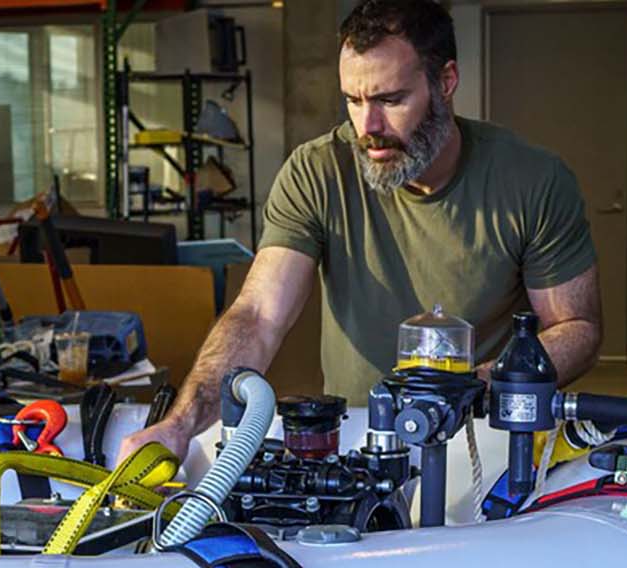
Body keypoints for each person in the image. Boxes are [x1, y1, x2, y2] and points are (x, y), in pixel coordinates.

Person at [121, 0, 601, 460]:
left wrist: (475, 390)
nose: (367, 125)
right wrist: (180, 425)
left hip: (483, 436)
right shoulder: (317, 171)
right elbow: (259, 316)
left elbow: (575, 326)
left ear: (446, 81)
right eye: (353, 99)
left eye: (391, 99)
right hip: (354, 436)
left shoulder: (532, 180)